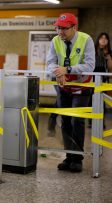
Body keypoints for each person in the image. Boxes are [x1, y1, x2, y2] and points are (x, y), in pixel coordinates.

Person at [46, 13, 95, 172]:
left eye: (64, 29)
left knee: (77, 121)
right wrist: (57, 73)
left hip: (82, 86)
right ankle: (68, 156)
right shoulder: (55, 40)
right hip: (63, 86)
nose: (60, 32)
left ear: (74, 28)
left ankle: (78, 158)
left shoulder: (86, 39)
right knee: (65, 121)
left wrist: (67, 69)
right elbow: (50, 63)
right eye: (58, 28)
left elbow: (89, 66)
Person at [88, 32, 112, 128]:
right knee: (91, 101)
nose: (103, 40)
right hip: (92, 79)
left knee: (102, 101)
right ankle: (90, 121)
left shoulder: (109, 52)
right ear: (98, 39)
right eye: (101, 38)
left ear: (108, 41)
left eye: (105, 38)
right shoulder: (92, 50)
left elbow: (110, 69)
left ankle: (101, 122)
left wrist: (109, 58)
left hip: (103, 80)